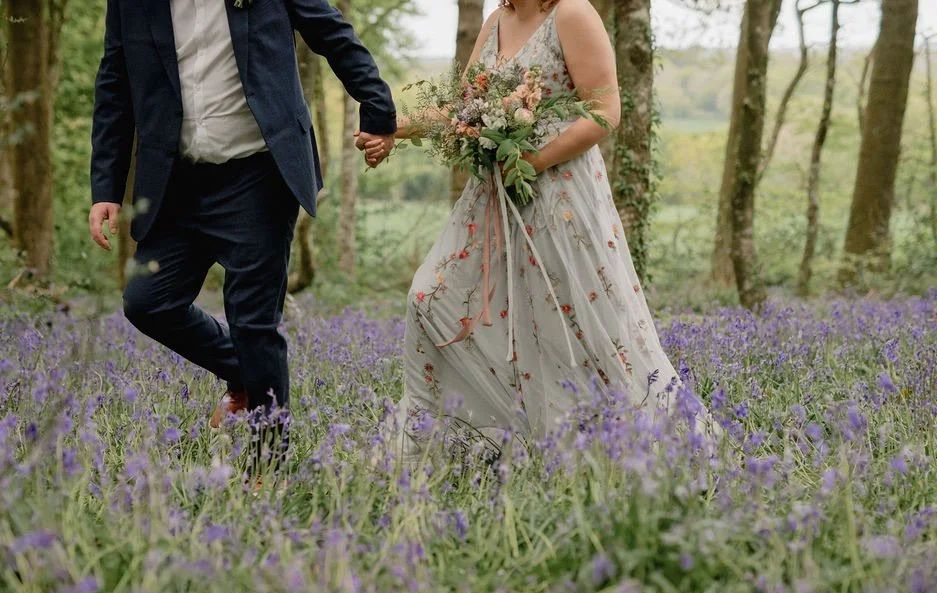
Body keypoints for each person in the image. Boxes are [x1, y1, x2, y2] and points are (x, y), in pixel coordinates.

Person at [358, 0, 716, 457]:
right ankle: (449, 442)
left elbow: (606, 110)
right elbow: (460, 113)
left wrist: (533, 161)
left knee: (566, 323)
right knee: (429, 295)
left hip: (558, 195)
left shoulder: (571, 13)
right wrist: (395, 130)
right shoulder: (495, 21)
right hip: (492, 196)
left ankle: (612, 445)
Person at [89, 0, 395, 466]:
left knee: (253, 322)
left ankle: (267, 468)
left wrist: (378, 110)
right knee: (147, 301)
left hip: (258, 174)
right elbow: (115, 83)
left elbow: (333, 34)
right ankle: (246, 373)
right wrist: (106, 188)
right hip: (176, 180)